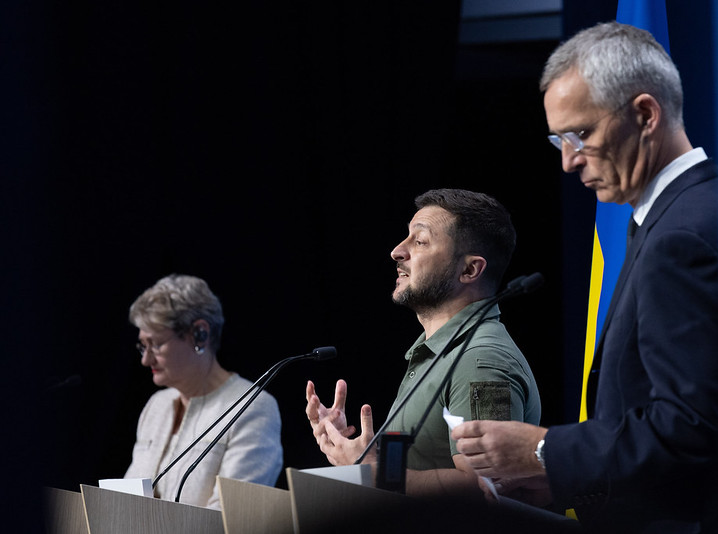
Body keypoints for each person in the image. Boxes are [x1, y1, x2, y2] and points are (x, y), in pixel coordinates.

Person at [452, 22, 718, 533]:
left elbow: (691, 429)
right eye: (558, 138)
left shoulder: (681, 237)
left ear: (645, 114)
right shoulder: (698, 209)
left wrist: (540, 448)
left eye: (581, 134)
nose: (567, 161)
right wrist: (563, 479)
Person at [305, 188, 541, 497]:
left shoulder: (479, 359)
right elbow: (407, 474)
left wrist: (370, 475)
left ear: (470, 269)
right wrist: (360, 458)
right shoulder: (435, 352)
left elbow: (489, 488)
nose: (397, 252)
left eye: (420, 241)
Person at [124, 274, 283, 509]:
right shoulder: (156, 406)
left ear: (200, 334)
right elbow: (123, 503)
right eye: (142, 346)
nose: (146, 360)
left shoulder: (253, 408)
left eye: (156, 344)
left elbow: (227, 517)